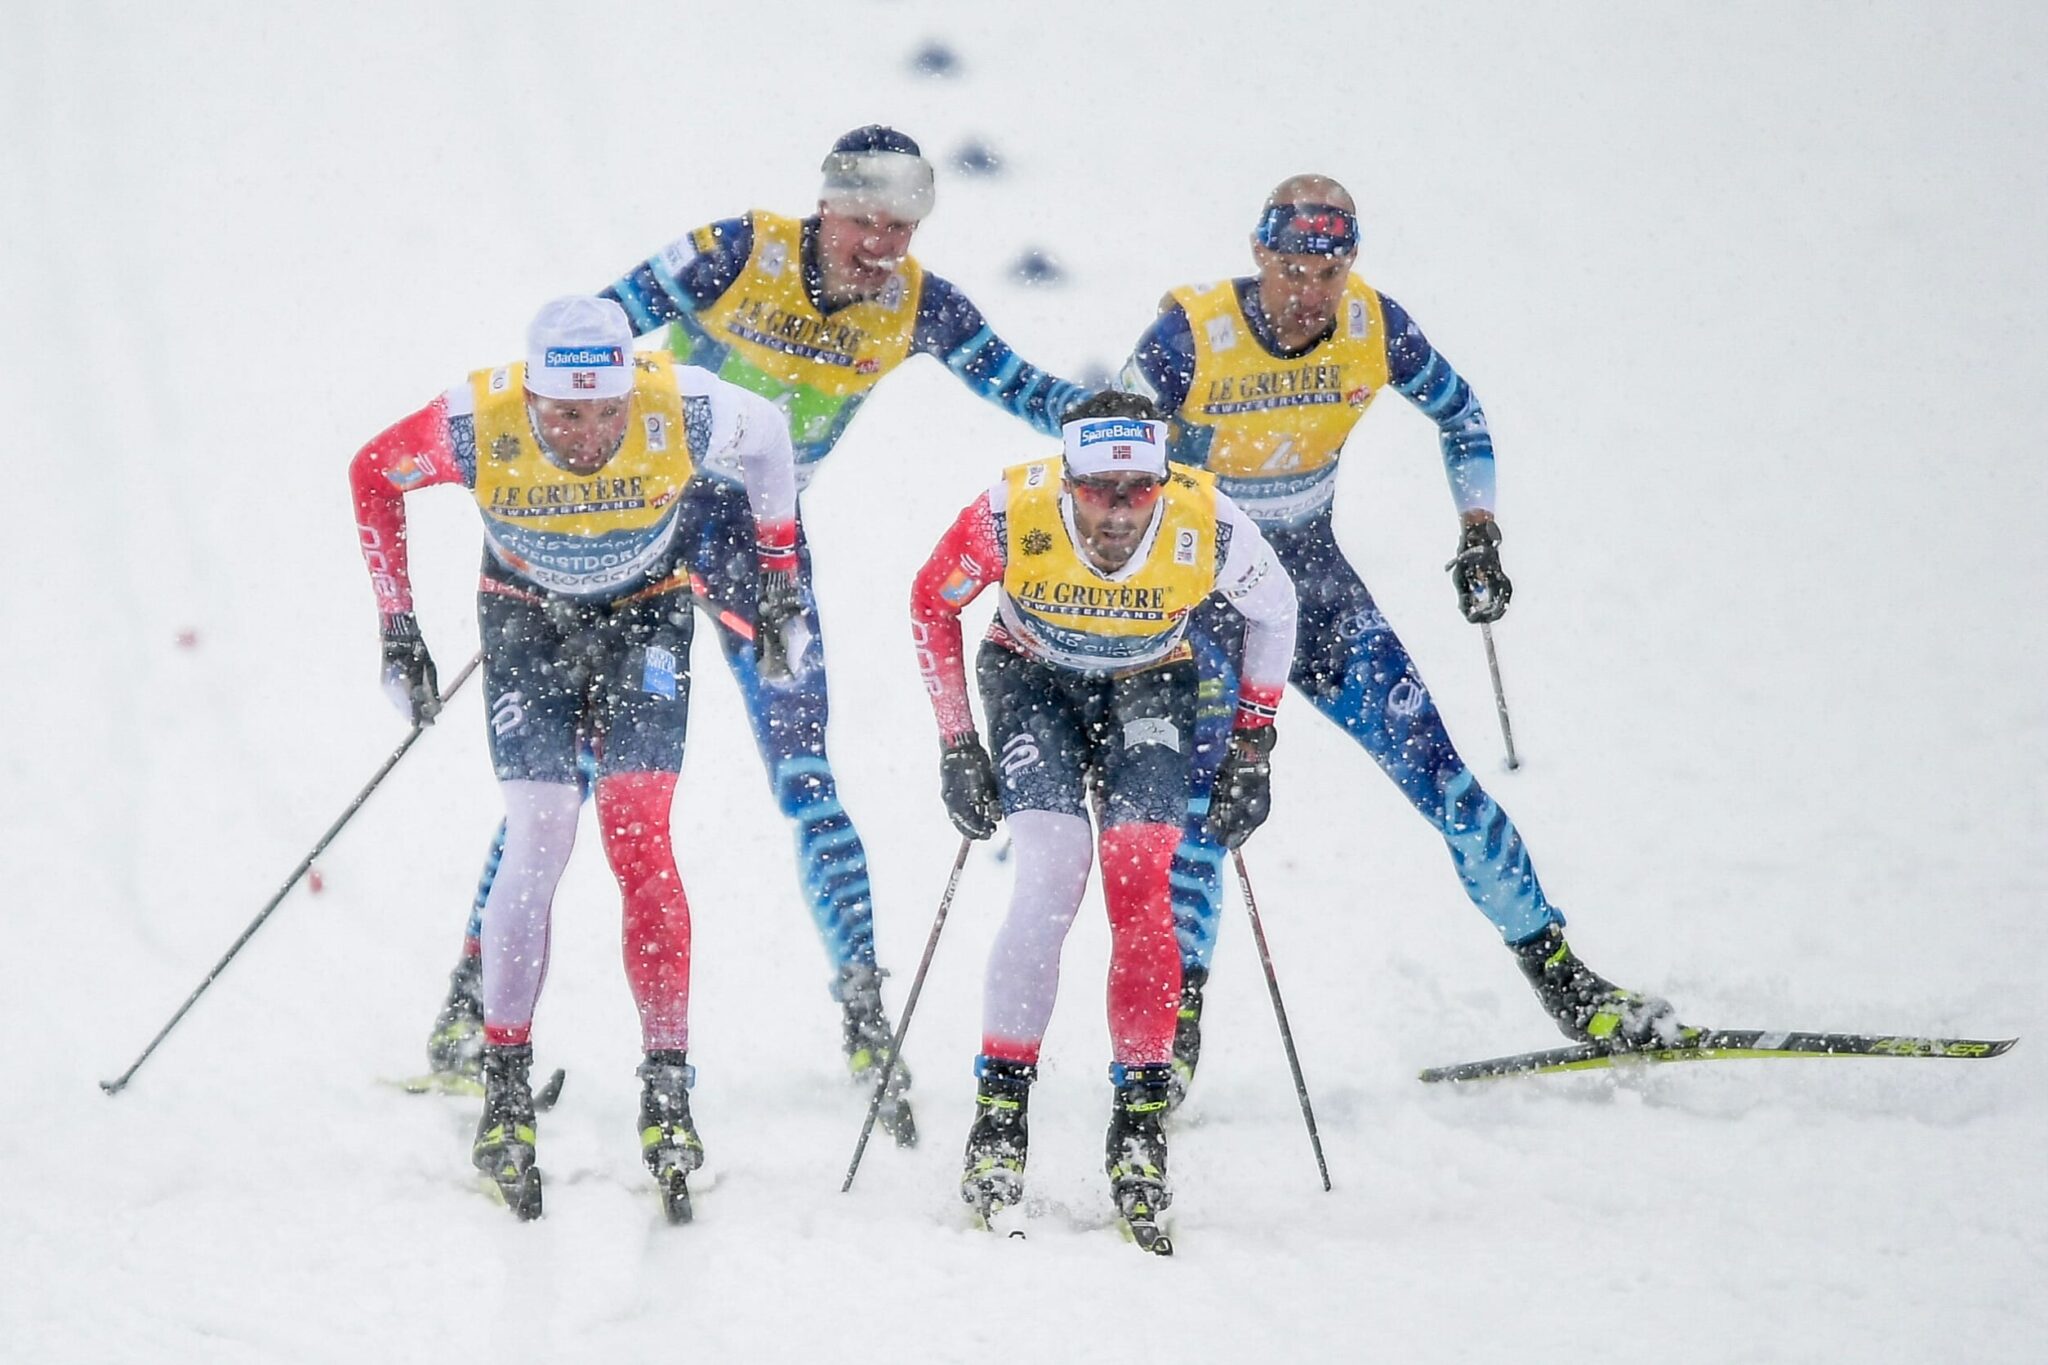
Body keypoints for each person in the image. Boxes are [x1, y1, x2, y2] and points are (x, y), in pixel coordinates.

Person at [422, 127, 1094, 1148]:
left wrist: (1118, 418)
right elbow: (594, 335)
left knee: (803, 769)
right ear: (823, 207)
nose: (879, 245)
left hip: (757, 543)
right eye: (864, 220)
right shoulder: (731, 252)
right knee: (558, 784)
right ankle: (474, 998)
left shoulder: (921, 306)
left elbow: (1026, 390)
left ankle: (863, 1011)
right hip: (632, 526)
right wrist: (545, 483)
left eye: (901, 228)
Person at [1118, 174, 1693, 1104]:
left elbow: (1462, 416)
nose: (1309, 292)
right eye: (1293, 270)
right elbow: (1108, 456)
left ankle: (1567, 982)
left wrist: (1478, 530)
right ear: (1258, 256)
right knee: (1203, 821)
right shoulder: (1191, 335)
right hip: (1205, 604)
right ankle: (1175, 1033)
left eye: (1329, 271)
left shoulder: (1373, 326)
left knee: (1447, 784)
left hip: (1314, 591)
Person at [351, 297, 801, 1219]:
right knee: (543, 831)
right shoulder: (476, 419)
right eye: (566, 415)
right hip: (525, 620)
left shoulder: (685, 403)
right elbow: (372, 473)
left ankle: (667, 1081)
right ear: (533, 395)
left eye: (607, 413)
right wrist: (399, 626)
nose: (590, 433)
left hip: (647, 612)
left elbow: (772, 443)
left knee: (639, 837)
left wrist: (780, 579)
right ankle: (504, 1081)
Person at [907, 391, 1297, 1243]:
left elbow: (1277, 608)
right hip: (1032, 678)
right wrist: (956, 741)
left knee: (1137, 878)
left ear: (1162, 477)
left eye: (1137, 489)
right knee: (1051, 872)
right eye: (1098, 489)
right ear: (1069, 476)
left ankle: (1141, 1122)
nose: (1118, 510)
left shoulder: (1207, 518)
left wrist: (1254, 745)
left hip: (1153, 682)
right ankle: (1000, 1118)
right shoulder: (1013, 509)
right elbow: (932, 601)